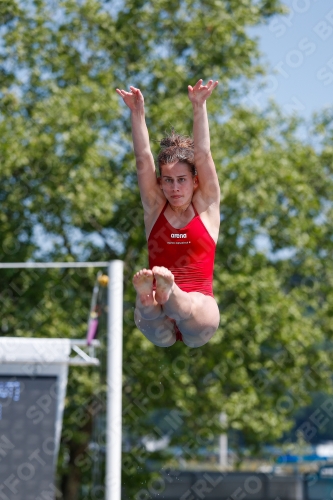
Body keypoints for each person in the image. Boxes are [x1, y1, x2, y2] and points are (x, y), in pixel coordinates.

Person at [116, 79, 220, 348]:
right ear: (160, 182)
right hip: (159, 320)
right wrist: (137, 113)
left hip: (197, 310)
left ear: (195, 181)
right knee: (152, 321)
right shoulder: (154, 206)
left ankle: (164, 294)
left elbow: (204, 155)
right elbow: (143, 159)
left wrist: (199, 105)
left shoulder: (206, 207)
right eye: (168, 181)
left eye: (182, 180)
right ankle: (152, 299)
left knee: (192, 309)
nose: (175, 188)